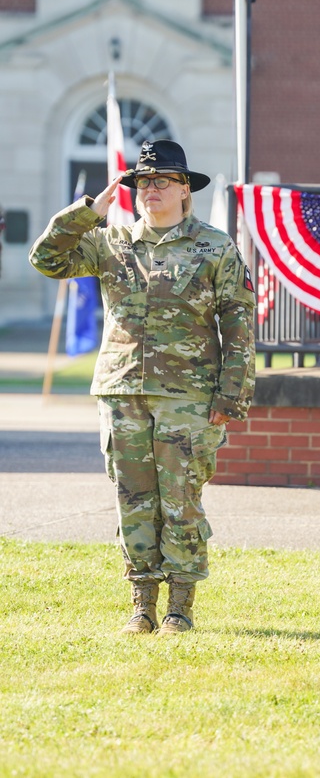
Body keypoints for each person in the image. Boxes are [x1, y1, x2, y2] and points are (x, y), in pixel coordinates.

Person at [29, 139, 256, 635]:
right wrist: (86, 213)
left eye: (162, 181)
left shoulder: (214, 247)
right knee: (133, 499)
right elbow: (46, 259)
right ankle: (142, 603)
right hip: (122, 389)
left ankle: (180, 605)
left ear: (183, 190)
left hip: (189, 396)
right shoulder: (111, 242)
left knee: (180, 498)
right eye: (143, 182)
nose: (150, 189)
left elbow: (238, 324)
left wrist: (230, 396)